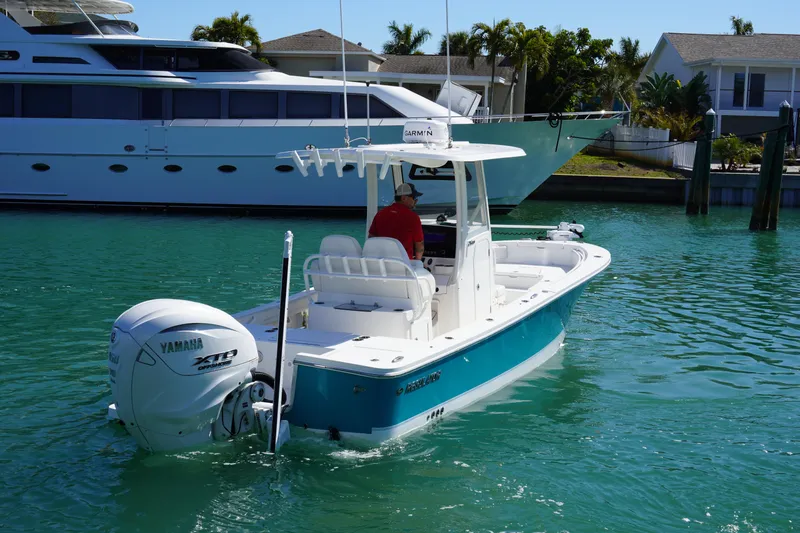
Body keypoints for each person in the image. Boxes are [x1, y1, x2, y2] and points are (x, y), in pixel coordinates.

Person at [368, 183, 425, 260]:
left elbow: (371, 238)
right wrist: (418, 261)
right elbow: (419, 246)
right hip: (403, 266)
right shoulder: (413, 217)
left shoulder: (380, 214)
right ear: (404, 198)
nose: (415, 201)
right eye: (414, 198)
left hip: (382, 264)